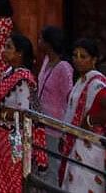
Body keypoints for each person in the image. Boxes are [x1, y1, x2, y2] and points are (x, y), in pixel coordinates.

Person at [0, 33, 47, 193]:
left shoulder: (23, 79)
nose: (4, 50)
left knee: (10, 179)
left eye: (8, 47)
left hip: (12, 138)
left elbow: (23, 114)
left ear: (20, 53)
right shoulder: (9, 72)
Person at [60, 38, 106, 193]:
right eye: (75, 55)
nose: (77, 60)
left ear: (94, 60)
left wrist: (88, 121)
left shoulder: (97, 83)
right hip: (77, 143)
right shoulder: (81, 80)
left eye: (83, 56)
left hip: (90, 147)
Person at [38, 25, 74, 186]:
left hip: (55, 126)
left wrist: (65, 130)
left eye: (41, 39)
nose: (39, 42)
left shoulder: (64, 68)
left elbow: (70, 97)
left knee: (53, 166)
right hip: (40, 122)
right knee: (41, 164)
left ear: (49, 44)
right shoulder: (46, 61)